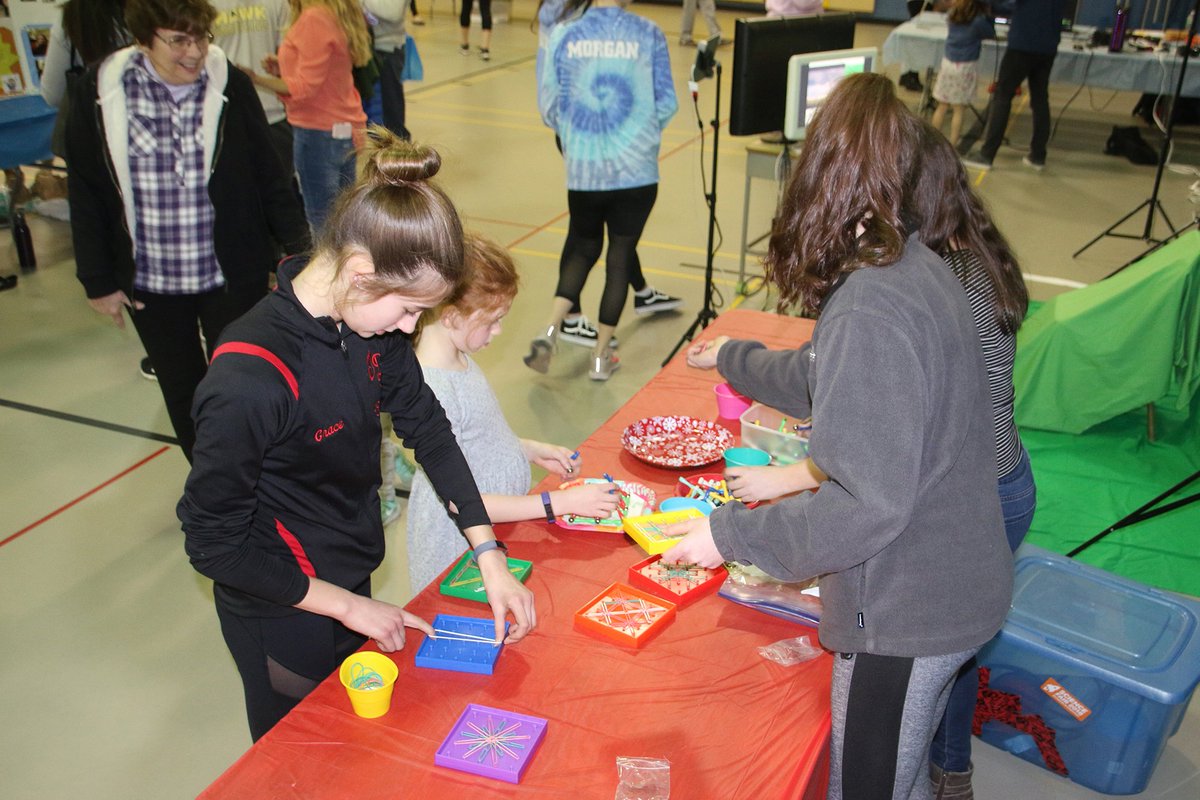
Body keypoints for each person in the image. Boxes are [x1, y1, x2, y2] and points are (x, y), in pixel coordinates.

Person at [660, 73, 1013, 800]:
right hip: (949, 587)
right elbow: (827, 373)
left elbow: (866, 504)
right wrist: (733, 357)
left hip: (908, 615)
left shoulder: (874, 306)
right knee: (900, 774)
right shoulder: (911, 262)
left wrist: (730, 537)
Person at [177, 132, 537, 741]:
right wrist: (345, 606)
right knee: (300, 757)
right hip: (281, 603)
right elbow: (213, 544)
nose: (411, 327)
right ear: (360, 271)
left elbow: (431, 432)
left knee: (358, 742)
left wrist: (488, 553)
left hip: (349, 575)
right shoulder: (250, 379)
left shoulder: (372, 328)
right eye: (406, 310)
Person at [66, 0, 311, 463]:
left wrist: (300, 257)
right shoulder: (100, 92)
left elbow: (269, 178)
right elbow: (87, 190)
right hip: (151, 283)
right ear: (143, 39)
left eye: (202, 37)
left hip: (228, 275)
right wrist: (97, 280)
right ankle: (214, 488)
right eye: (179, 40)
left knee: (240, 385)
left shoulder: (230, 86)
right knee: (183, 391)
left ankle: (258, 477)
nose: (195, 52)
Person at [912, 125, 1035, 800]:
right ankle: (951, 768)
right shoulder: (972, 250)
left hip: (979, 499)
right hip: (1005, 481)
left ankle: (950, 774)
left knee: (941, 656)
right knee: (952, 653)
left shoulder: (948, 283)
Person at [407, 233, 619, 591]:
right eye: (491, 320)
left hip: (496, 529)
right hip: (459, 550)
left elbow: (479, 437)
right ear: (451, 316)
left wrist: (530, 449)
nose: (499, 330)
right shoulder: (435, 391)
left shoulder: (460, 358)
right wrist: (558, 502)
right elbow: (464, 504)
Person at [527, 0, 677, 381]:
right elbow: (666, 103)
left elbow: (549, 108)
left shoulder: (563, 34)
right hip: (636, 171)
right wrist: (636, 134)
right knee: (620, 255)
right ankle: (599, 358)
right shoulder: (649, 33)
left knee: (582, 247)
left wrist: (582, 137)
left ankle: (549, 330)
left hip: (585, 170)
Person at [241, 0, 371, 233]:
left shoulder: (312, 18)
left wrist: (255, 79)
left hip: (318, 134)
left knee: (322, 223)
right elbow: (326, 74)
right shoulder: (333, 13)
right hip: (342, 130)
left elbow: (302, 90)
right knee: (343, 218)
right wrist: (283, 68)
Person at [965, 0, 1068, 170]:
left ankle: (986, 155)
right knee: (1040, 99)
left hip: (1023, 43)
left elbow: (1007, 5)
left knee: (1002, 96)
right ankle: (1038, 155)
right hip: (1048, 45)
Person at [211, 0, 297, 182]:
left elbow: (291, 58)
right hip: (225, 117)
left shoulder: (278, 3)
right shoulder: (204, 5)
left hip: (272, 115)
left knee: (279, 192)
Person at [930, 0, 994, 147]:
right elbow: (991, 33)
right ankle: (952, 144)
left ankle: (932, 142)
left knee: (942, 105)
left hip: (948, 64)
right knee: (959, 109)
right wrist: (988, 14)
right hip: (965, 67)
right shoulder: (978, 22)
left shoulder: (952, 16)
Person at [363, 0, 412, 139]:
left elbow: (393, 12)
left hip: (388, 50)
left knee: (390, 111)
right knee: (372, 111)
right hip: (367, 48)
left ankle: (398, 151)